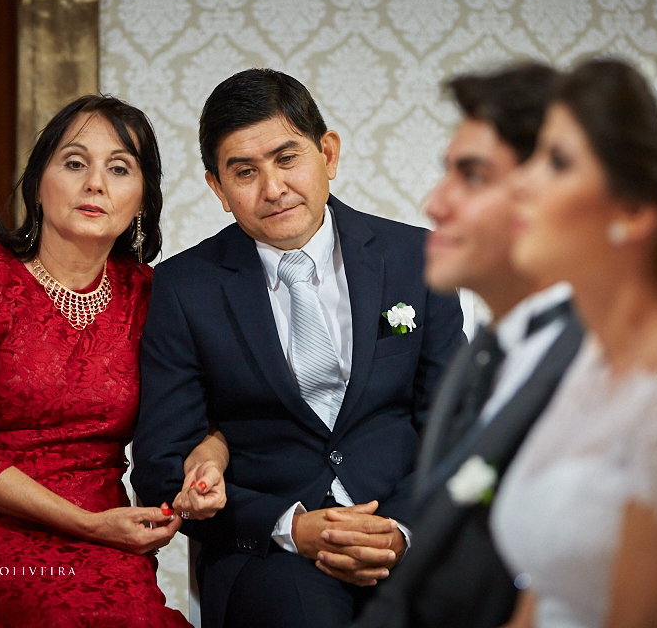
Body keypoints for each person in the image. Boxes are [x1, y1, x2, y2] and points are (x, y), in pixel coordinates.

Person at [132, 68, 465, 628]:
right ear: (217, 187)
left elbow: (453, 428)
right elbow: (164, 470)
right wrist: (289, 526)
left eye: (288, 159)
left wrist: (400, 531)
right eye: (245, 172)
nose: (273, 189)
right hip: (266, 552)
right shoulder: (184, 289)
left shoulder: (416, 259)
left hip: (407, 532)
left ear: (328, 155)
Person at [0, 94, 227, 627]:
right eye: (74, 163)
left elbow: (206, 420)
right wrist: (87, 526)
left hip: (102, 539)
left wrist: (207, 465)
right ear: (38, 182)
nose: (96, 183)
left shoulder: (150, 297)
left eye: (119, 168)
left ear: (142, 199)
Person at [490, 57, 657, 628]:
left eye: (556, 162)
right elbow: (544, 590)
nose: (521, 183)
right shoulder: (592, 363)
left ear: (632, 209)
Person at [352, 61, 584, 628]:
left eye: (473, 176)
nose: (435, 203)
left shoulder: (594, 367)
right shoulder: (483, 353)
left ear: (547, 192)